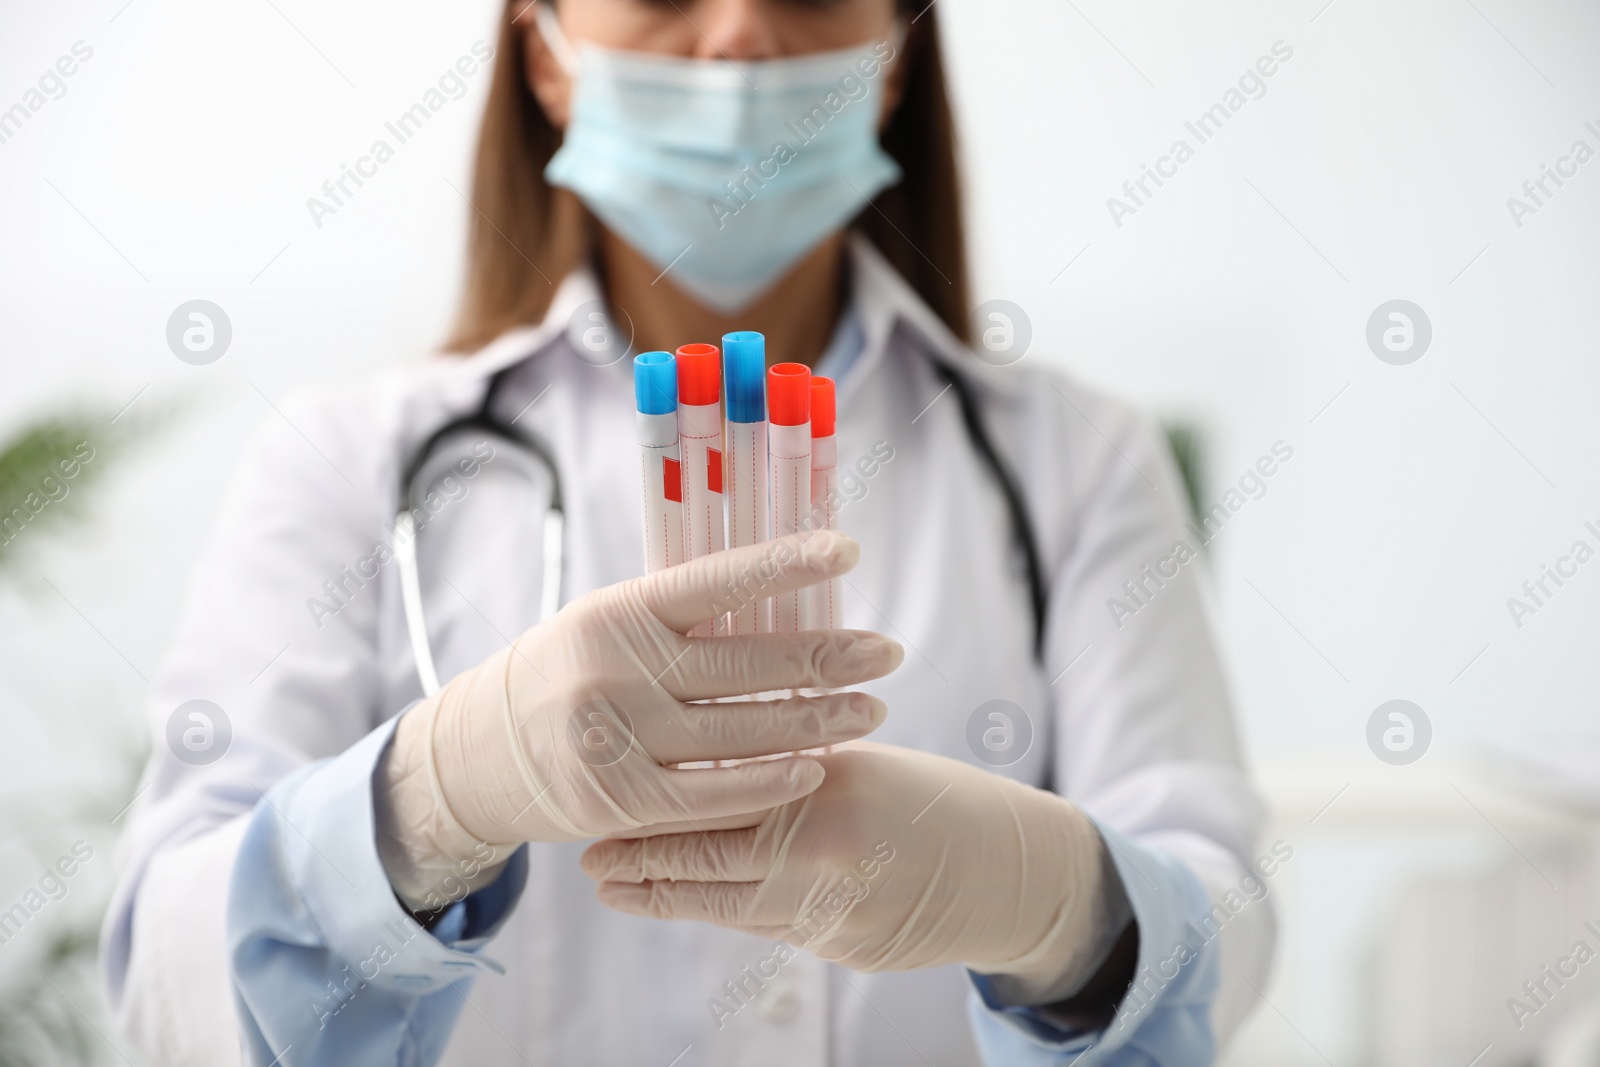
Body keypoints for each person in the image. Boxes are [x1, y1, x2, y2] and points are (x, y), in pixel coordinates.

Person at [102, 0, 1273, 1063]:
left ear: (897, 55)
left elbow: (1221, 924)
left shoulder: (1074, 459)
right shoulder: (344, 460)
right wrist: (432, 802)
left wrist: (1056, 904)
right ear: (543, 58)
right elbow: (167, 986)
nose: (739, 39)